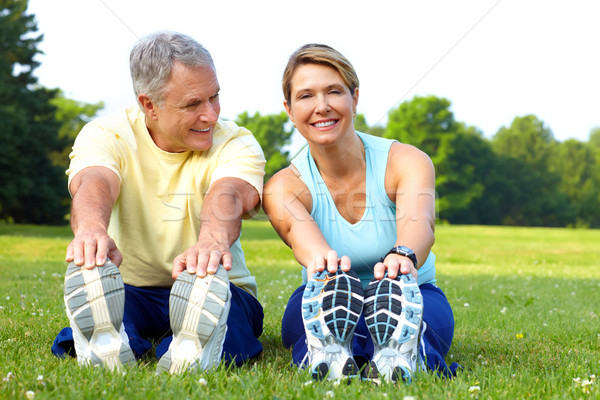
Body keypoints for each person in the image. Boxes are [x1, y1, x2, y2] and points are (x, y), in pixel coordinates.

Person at [51, 31, 266, 374]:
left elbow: (230, 192)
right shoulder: (107, 134)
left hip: (217, 286)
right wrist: (91, 230)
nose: (210, 115)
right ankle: (113, 341)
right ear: (149, 104)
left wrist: (211, 241)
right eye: (193, 104)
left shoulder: (236, 142)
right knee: (117, 311)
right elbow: (95, 181)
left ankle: (192, 345)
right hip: (133, 289)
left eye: (215, 97)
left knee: (231, 324)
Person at [263, 43, 459, 383]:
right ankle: (329, 348)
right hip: (323, 294)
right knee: (306, 315)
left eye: (334, 92)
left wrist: (403, 256)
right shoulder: (284, 187)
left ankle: (406, 349)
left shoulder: (405, 161)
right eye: (306, 96)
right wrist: (329, 269)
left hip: (412, 292)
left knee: (423, 320)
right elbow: (304, 242)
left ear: (354, 98)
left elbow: (420, 222)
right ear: (290, 110)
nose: (322, 107)